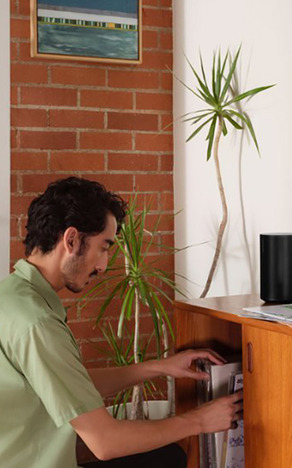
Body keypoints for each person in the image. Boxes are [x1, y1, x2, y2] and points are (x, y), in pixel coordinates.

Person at [0, 177, 242, 468]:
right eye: (104, 247)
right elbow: (105, 442)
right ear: (72, 240)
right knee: (169, 458)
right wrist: (200, 420)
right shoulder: (37, 323)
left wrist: (157, 367)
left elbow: (70, 386)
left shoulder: (13, 297)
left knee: (167, 456)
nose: (103, 266)